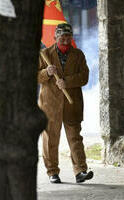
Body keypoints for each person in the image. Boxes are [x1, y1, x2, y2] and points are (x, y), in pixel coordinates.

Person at [38, 23, 93, 184]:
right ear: (55, 37)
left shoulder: (78, 55)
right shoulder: (44, 54)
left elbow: (84, 76)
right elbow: (34, 76)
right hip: (50, 104)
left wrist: (66, 82)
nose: (65, 39)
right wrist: (46, 73)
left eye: (68, 36)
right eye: (62, 37)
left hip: (72, 103)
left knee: (75, 138)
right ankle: (52, 172)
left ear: (71, 37)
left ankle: (81, 171)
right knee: (50, 139)